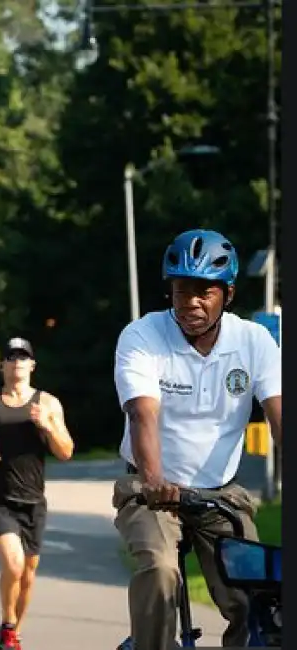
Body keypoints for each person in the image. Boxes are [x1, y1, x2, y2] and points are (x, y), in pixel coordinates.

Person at [112, 229, 282, 650]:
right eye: (181, 290)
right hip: (150, 488)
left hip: (220, 493)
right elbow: (142, 412)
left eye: (204, 291)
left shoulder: (254, 341)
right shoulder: (143, 336)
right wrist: (154, 482)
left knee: (255, 594)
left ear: (228, 293)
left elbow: (280, 414)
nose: (191, 302)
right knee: (160, 571)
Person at [0, 336, 75, 650]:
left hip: (34, 501)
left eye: (23, 357)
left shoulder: (48, 403)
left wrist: (48, 425)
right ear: (2, 365)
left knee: (28, 574)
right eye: (11, 357)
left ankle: (12, 634)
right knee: (13, 564)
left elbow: (66, 452)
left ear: (32, 365)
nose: (17, 362)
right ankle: (9, 624)